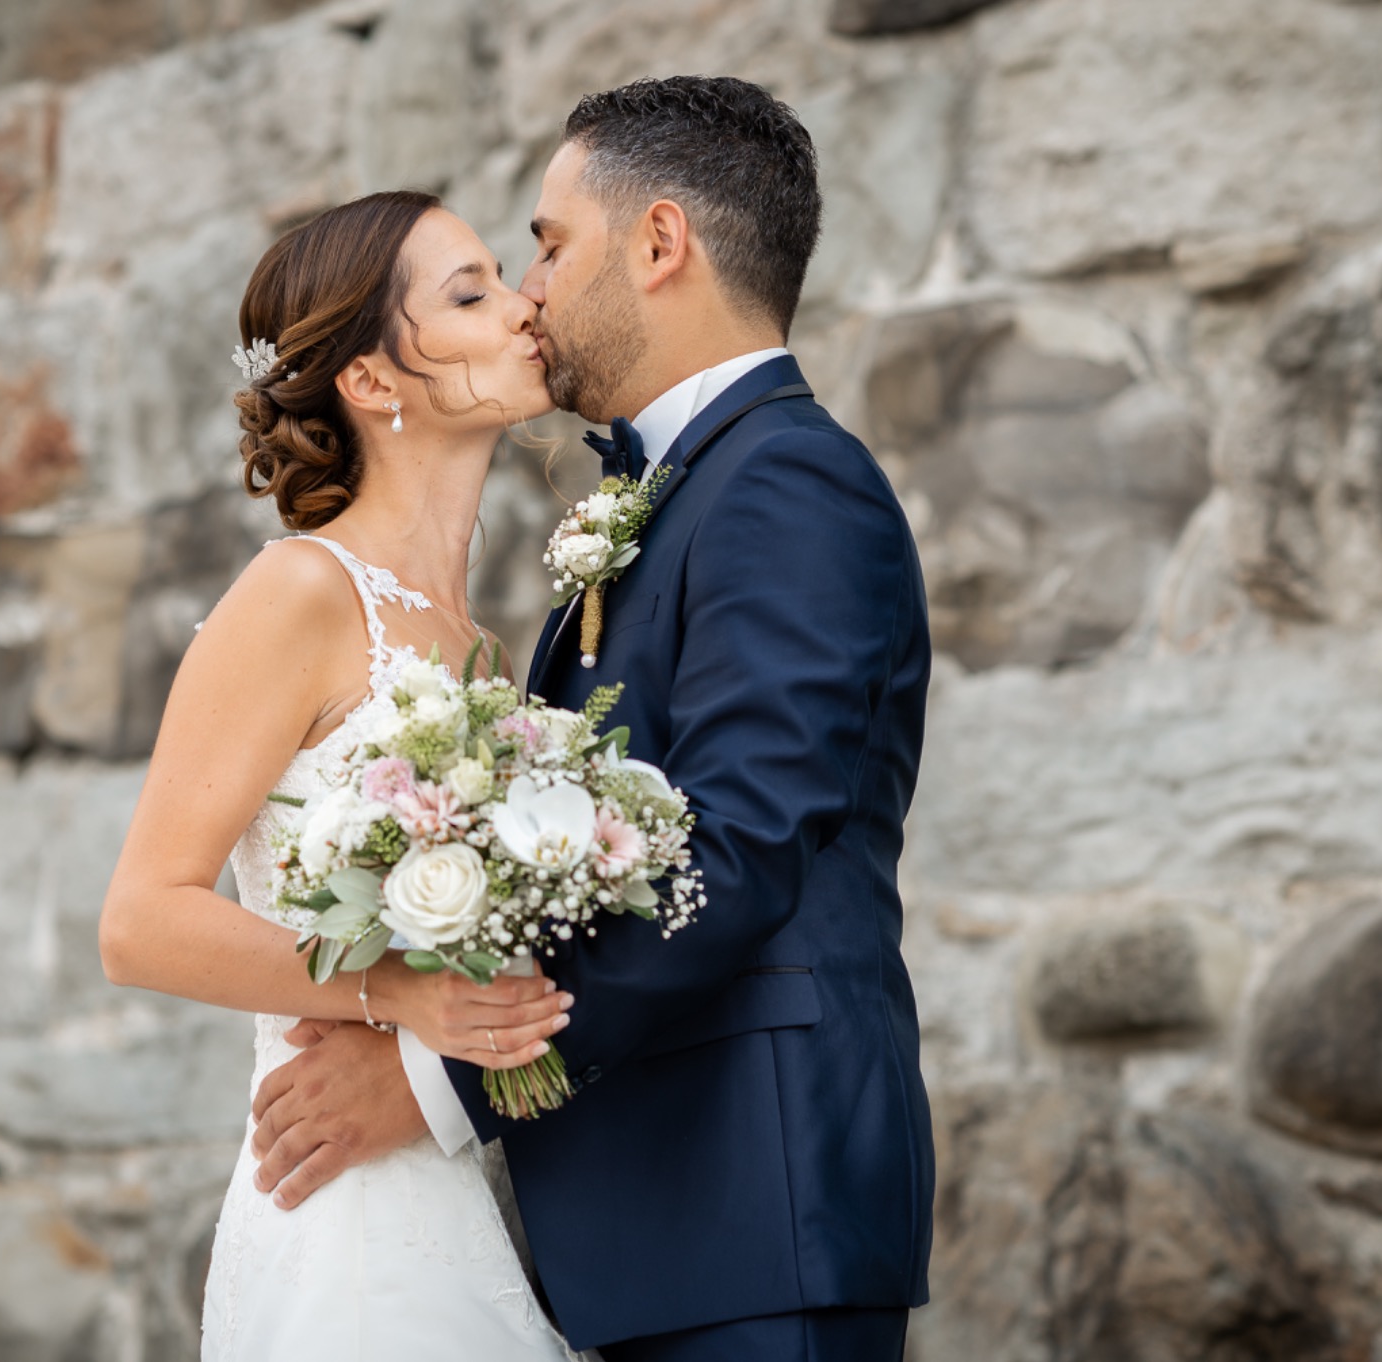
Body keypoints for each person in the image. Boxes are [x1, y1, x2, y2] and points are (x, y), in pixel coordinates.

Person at [245, 77, 936, 1362]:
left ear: (659, 242)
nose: (531, 292)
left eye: (551, 246)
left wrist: (441, 1076)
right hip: (648, 1233)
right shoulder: (672, 495)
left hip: (749, 1210)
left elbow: (736, 852)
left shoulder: (784, 481)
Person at [98, 189, 582, 1360]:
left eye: (500, 278)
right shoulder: (301, 593)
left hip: (452, 1184)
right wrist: (394, 994)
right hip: (343, 1213)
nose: (521, 306)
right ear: (369, 379)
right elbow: (139, 922)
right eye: (468, 295)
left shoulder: (482, 650)